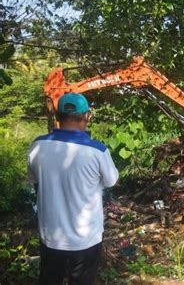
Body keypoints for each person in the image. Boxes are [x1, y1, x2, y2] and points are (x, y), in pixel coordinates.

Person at [28, 93, 119, 285]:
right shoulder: (97, 150)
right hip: (86, 238)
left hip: (50, 236)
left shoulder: (37, 146)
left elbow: (35, 182)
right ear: (86, 116)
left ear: (58, 116)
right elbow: (112, 181)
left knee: (49, 280)